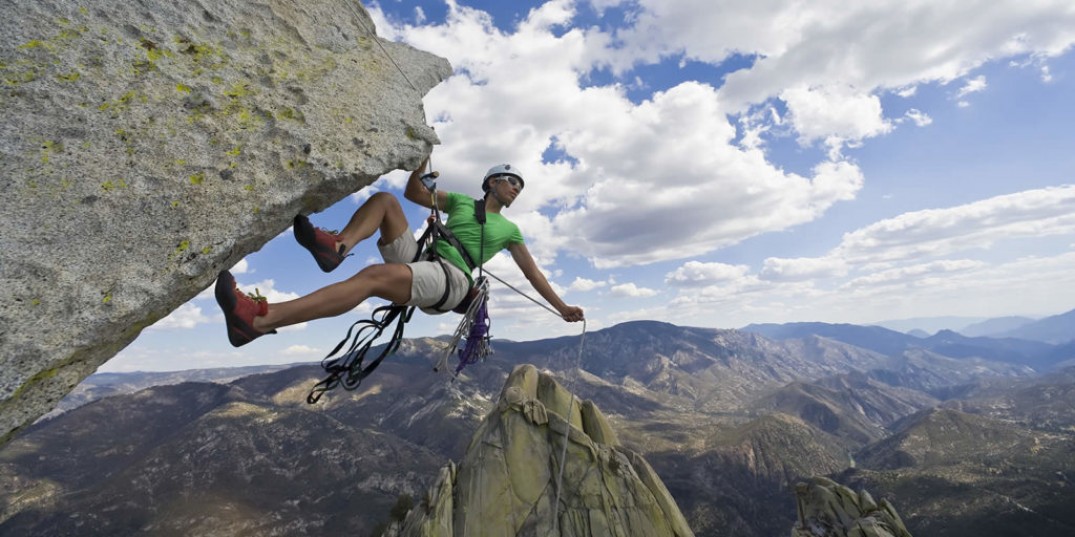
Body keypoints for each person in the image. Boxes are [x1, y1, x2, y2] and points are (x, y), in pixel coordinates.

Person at [215, 159, 585, 347]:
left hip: (453, 279)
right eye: (511, 181)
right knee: (386, 202)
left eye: (520, 186)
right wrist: (421, 163)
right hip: (425, 260)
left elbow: (533, 274)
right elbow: (413, 194)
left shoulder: (511, 231)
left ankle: (260, 321)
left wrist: (561, 307)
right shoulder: (458, 201)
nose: (517, 188)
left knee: (373, 278)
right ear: (492, 182)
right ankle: (337, 247)